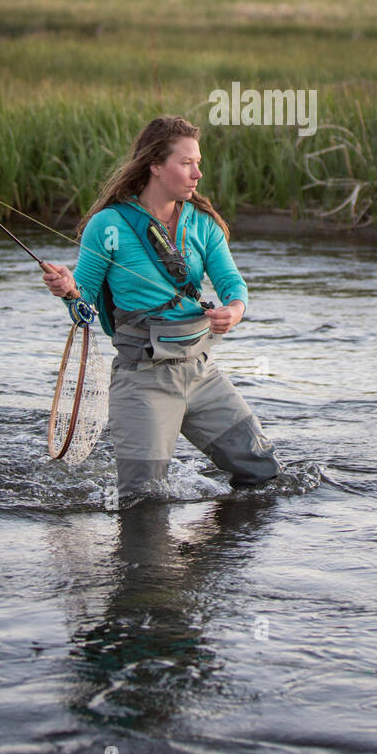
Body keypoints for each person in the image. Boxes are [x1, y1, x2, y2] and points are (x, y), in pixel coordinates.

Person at [42, 115, 282, 495]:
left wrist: (233, 311)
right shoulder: (107, 225)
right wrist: (69, 290)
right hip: (142, 381)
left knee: (264, 475)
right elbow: (82, 310)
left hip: (202, 374)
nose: (197, 173)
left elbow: (233, 284)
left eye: (198, 162)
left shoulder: (203, 223)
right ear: (155, 165)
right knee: (144, 499)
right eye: (186, 163)